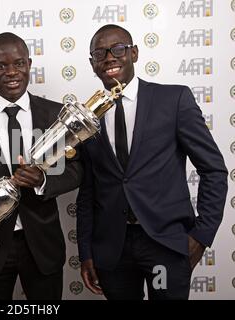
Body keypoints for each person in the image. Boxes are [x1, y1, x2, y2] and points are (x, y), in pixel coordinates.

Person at [76, 24, 228, 300]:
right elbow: (88, 190)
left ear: (133, 53)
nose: (109, 57)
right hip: (112, 249)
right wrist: (86, 251)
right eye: (100, 53)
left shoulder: (173, 99)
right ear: (92, 64)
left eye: (118, 49)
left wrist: (202, 235)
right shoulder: (87, 119)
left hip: (166, 244)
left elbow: (214, 169)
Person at [0, 32, 83, 300]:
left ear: (29, 64)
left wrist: (42, 181)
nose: (11, 72)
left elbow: (76, 170)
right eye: (1, 66)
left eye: (19, 63)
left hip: (43, 245)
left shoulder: (54, 115)